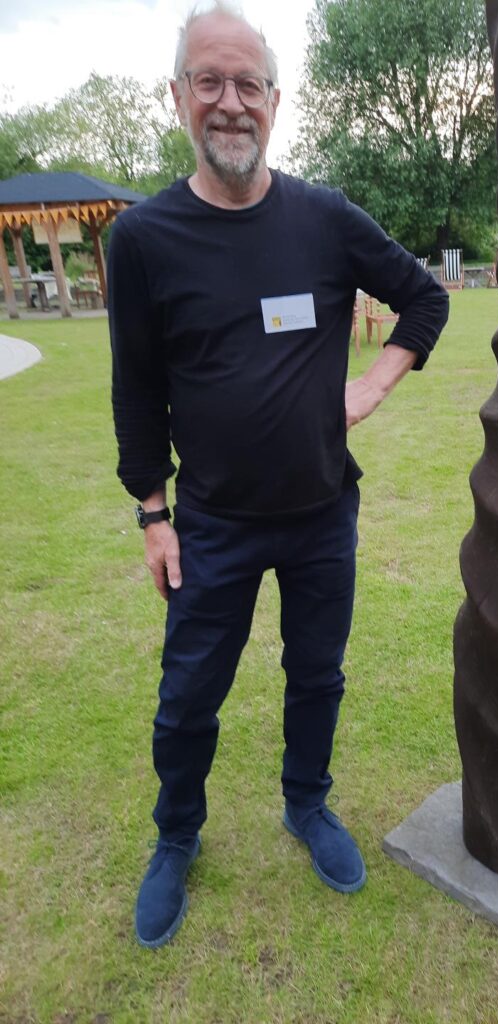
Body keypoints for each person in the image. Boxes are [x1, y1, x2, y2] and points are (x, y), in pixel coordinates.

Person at [108, 0, 449, 949]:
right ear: (179, 96)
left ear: (274, 101)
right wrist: (152, 512)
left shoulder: (325, 219)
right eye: (208, 82)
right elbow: (136, 391)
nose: (229, 103)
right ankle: (176, 837)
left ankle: (308, 804)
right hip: (209, 524)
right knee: (187, 699)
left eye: (246, 84)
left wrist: (370, 388)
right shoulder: (140, 240)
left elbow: (423, 299)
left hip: (318, 516)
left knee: (319, 675)